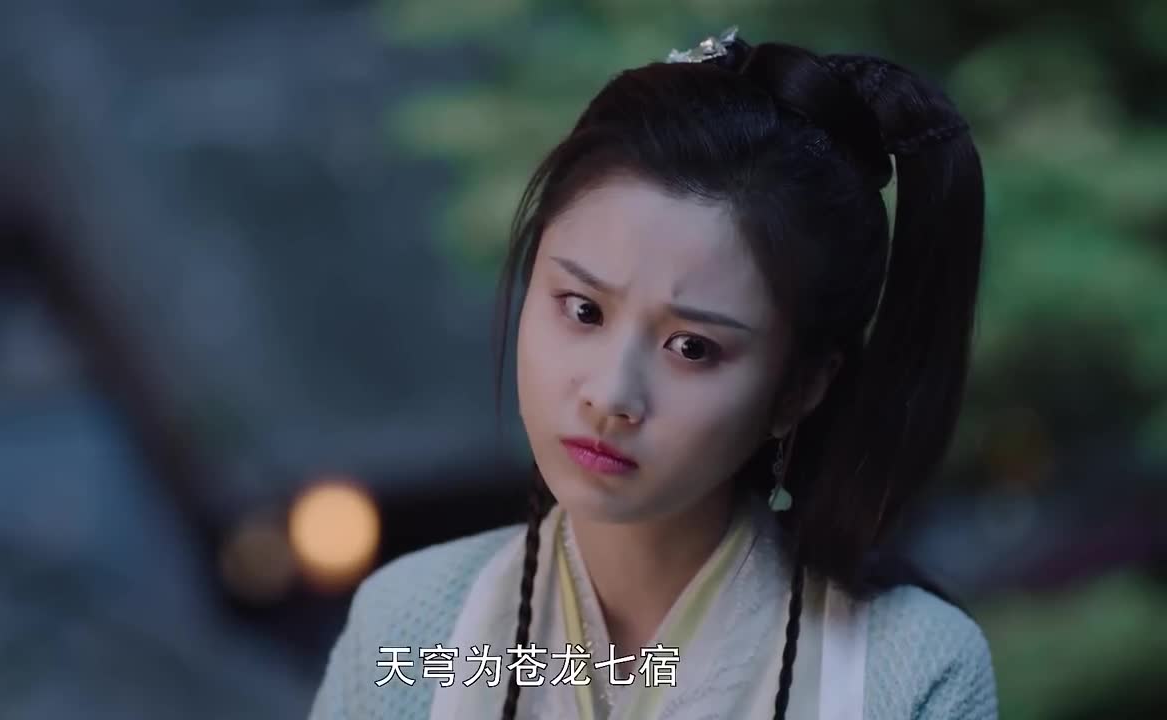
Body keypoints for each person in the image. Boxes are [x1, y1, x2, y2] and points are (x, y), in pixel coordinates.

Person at [309, 26, 997, 720]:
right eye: (582, 310)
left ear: (799, 389)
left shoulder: (911, 670)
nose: (611, 394)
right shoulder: (407, 627)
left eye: (692, 348)